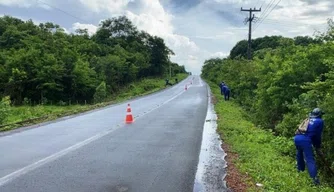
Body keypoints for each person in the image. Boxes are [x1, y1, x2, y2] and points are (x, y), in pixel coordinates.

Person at [294, 108, 325, 185]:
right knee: (310, 159)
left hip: (297, 138)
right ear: (320, 115)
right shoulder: (320, 121)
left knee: (299, 154)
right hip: (305, 140)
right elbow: (317, 136)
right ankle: (315, 181)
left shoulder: (308, 119)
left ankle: (300, 173)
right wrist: (318, 147)